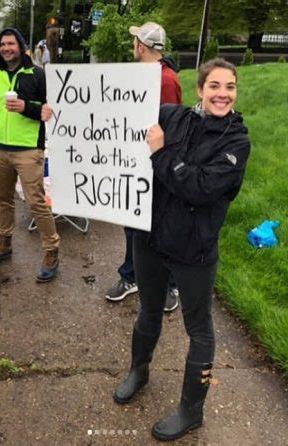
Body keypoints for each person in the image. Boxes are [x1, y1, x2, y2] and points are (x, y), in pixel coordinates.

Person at [113, 58, 251, 441]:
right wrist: (59, 115)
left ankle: (192, 411)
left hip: (194, 249)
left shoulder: (236, 142)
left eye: (230, 87)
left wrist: (159, 156)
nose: (222, 94)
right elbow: (117, 115)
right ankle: (139, 371)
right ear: (200, 90)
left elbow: (200, 188)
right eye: (215, 86)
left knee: (199, 329)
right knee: (148, 312)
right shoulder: (172, 117)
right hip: (151, 237)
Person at [0, 28, 60, 283]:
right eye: (2, 44)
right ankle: (3, 244)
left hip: (28, 150)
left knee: (36, 202)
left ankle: (51, 251)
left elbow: (50, 110)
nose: (6, 48)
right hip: (0, 148)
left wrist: (26, 107)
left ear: (21, 46)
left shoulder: (37, 75)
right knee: (4, 200)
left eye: (11, 44)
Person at [105, 22, 182, 312]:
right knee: (132, 224)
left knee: (160, 228)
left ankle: (171, 285)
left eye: (134, 41)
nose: (132, 46)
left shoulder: (165, 80)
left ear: (141, 46)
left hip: (156, 167)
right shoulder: (141, 76)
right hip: (133, 163)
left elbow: (171, 128)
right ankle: (132, 275)